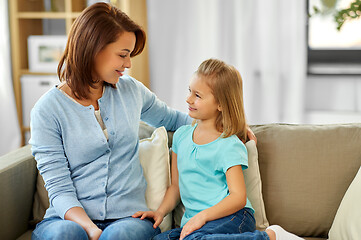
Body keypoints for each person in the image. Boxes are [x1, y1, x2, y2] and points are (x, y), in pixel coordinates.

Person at [29, 2, 193, 240]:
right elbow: (59, 188)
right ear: (93, 48)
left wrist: (230, 126)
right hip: (67, 218)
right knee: (65, 234)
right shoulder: (47, 110)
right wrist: (90, 229)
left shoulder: (131, 91)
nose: (128, 64)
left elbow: (174, 119)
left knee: (120, 235)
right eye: (123, 55)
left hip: (129, 219)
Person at [133, 59, 303, 240]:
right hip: (198, 224)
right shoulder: (181, 137)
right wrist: (160, 212)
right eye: (189, 91)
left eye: (198, 95)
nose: (188, 99)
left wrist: (202, 216)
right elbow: (176, 187)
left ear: (221, 104)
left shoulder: (228, 144)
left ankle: (272, 236)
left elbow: (238, 197)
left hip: (233, 216)